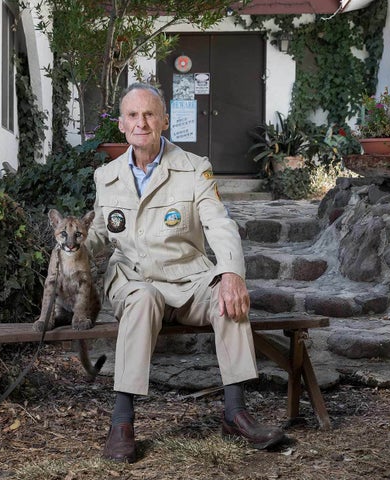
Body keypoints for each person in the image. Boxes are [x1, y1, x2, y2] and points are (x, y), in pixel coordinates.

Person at [85, 82, 286, 463]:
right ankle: (122, 422)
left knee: (228, 298)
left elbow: (219, 223)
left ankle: (235, 413)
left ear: (163, 121)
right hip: (135, 278)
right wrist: (74, 244)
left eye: (149, 115)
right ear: (122, 126)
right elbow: (98, 231)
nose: (141, 123)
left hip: (187, 278)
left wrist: (231, 274)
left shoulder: (195, 169)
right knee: (143, 299)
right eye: (132, 115)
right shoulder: (106, 176)